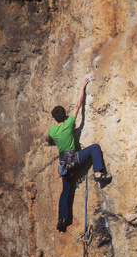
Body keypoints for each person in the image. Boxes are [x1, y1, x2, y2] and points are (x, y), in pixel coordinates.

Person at [45, 77, 111, 232]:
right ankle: (98, 173)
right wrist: (82, 86)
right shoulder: (69, 123)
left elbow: (47, 139)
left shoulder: (52, 130)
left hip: (63, 164)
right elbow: (78, 105)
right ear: (65, 115)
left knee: (66, 191)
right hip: (72, 159)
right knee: (94, 148)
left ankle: (62, 220)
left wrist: (53, 138)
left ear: (55, 118)